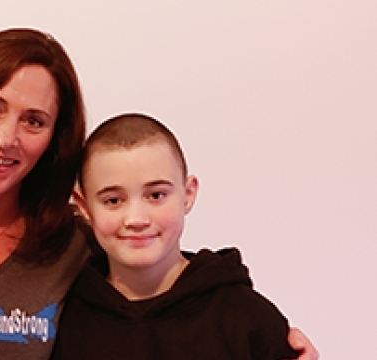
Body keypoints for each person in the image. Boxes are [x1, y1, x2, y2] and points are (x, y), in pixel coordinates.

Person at [0, 28, 318, 360]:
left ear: (55, 138)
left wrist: (271, 339)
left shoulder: (72, 243)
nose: (7, 137)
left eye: (34, 120)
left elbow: (161, 283)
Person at [52, 112, 307, 359]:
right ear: (83, 207)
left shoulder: (247, 318)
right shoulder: (63, 320)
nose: (136, 220)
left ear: (188, 194)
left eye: (156, 195)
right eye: (113, 200)